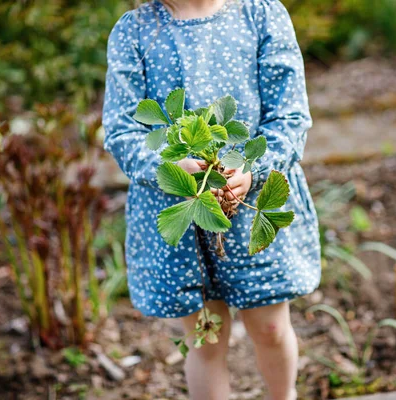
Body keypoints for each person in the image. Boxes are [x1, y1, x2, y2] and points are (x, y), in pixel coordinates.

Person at [102, 0, 321, 398]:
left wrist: (253, 170)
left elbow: (290, 116)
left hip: (250, 209)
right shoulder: (135, 31)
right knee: (205, 339)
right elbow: (122, 131)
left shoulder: (262, 14)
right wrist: (169, 170)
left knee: (271, 328)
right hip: (182, 214)